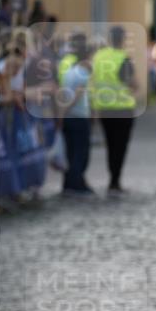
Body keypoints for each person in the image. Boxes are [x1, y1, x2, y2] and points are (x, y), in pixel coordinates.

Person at [89, 25, 138, 196]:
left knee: (110, 145)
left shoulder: (98, 57)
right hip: (123, 109)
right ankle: (115, 181)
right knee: (120, 146)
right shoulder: (124, 58)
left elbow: (92, 80)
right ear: (122, 39)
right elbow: (133, 84)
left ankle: (112, 179)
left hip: (104, 108)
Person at [58, 33, 95, 197]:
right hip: (78, 117)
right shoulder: (83, 72)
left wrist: (62, 114)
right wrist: (66, 110)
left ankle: (68, 183)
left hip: (69, 118)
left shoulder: (69, 71)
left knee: (70, 152)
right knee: (80, 153)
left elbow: (63, 94)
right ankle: (76, 184)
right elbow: (78, 95)